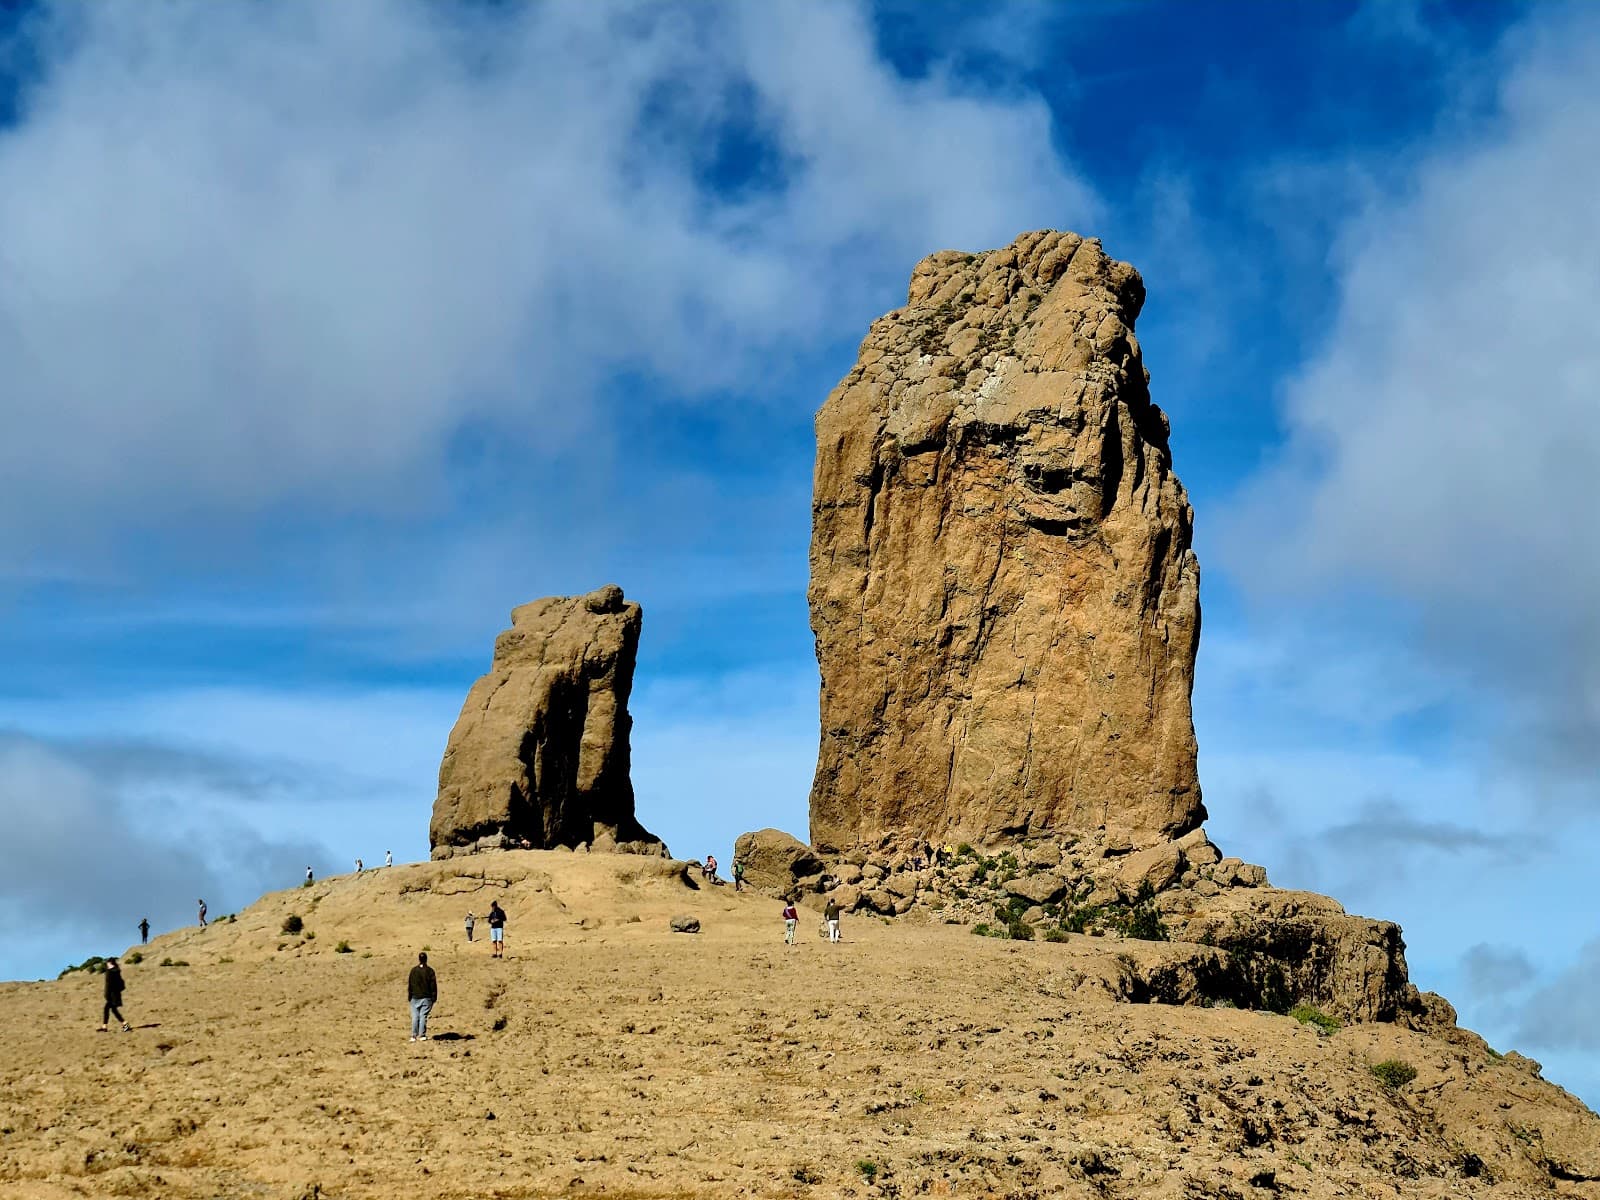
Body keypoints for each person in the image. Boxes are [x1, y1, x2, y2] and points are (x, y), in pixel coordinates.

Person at [407, 952, 438, 1042]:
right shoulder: (430, 971)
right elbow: (433, 985)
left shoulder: (413, 971)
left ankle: (413, 1035)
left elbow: (410, 984)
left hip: (415, 997)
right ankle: (422, 1035)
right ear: (426, 959)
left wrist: (410, 995)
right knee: (423, 1016)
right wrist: (434, 997)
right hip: (426, 998)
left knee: (415, 1016)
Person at [99, 958, 130, 1032]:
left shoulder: (109, 972)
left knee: (109, 1009)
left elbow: (109, 985)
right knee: (112, 1009)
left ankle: (124, 1024)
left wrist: (107, 995)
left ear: (110, 963)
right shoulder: (117, 971)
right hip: (116, 993)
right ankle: (105, 1026)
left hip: (111, 994)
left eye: (107, 963)